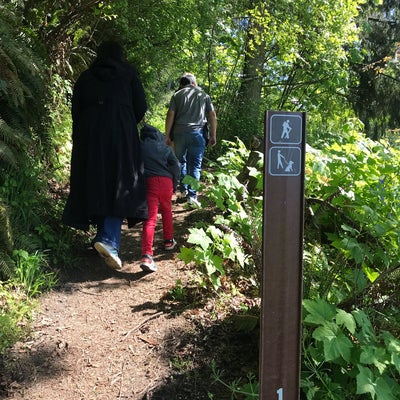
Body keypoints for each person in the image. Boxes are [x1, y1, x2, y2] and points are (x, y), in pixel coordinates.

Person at [62, 40, 148, 271]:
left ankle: (103, 235)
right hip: (120, 133)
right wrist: (125, 121)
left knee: (96, 179)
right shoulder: (129, 74)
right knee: (119, 181)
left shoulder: (86, 76)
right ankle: (109, 239)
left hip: (90, 134)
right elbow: (141, 106)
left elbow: (76, 110)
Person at [165, 73, 217, 208]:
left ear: (183, 84)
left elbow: (170, 114)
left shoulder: (177, 95)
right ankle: (192, 197)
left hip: (179, 133)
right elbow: (212, 115)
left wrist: (167, 135)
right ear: (194, 83)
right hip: (198, 133)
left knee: (181, 161)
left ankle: (183, 189)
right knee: (195, 166)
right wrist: (213, 135)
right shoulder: (203, 95)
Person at [139, 124, 180, 272]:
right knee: (167, 211)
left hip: (150, 182)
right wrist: (175, 183)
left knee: (150, 219)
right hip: (167, 182)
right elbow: (176, 164)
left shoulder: (140, 146)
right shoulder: (165, 147)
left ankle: (147, 256)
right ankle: (169, 241)